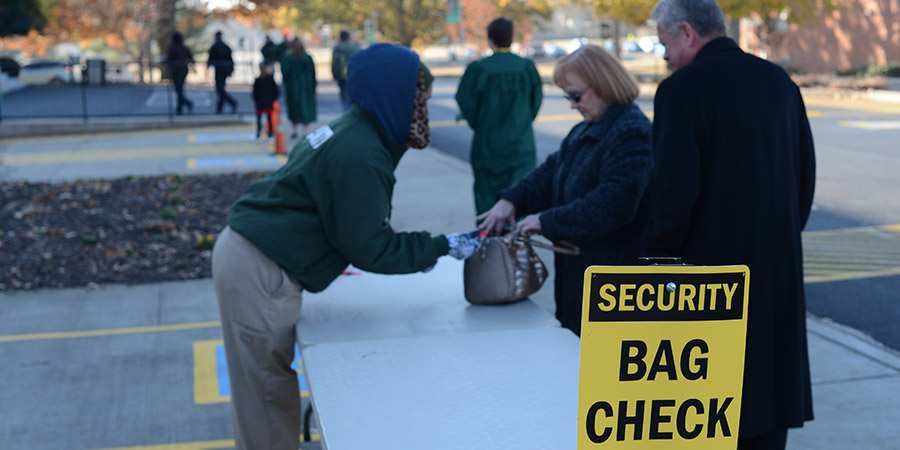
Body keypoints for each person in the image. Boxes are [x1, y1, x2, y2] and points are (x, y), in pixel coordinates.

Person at [211, 43, 482, 450]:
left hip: (252, 255)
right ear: (392, 95)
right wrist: (440, 246)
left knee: (267, 393)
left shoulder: (353, 130)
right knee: (267, 400)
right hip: (260, 270)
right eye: (418, 99)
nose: (423, 110)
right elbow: (370, 246)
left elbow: (344, 223)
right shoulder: (362, 152)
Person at [645, 1, 817, 448]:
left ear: (686, 32)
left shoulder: (681, 91)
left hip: (710, 280)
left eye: (664, 44)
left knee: (712, 416)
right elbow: (804, 177)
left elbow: (671, 197)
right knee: (767, 410)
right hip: (776, 270)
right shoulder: (778, 81)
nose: (664, 56)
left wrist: (656, 266)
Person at [477, 44, 652, 335]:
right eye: (567, 96)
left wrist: (545, 221)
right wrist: (512, 200)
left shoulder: (631, 132)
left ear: (602, 85)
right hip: (583, 281)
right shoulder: (585, 130)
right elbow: (549, 175)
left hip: (613, 289)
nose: (572, 104)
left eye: (576, 95)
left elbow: (613, 204)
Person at [455, 16, 543, 215]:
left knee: (487, 194)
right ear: (511, 38)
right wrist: (522, 121)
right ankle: (517, 240)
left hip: (488, 143)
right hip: (521, 144)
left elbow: (466, 102)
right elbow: (536, 101)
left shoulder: (478, 69)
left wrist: (480, 123)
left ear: (490, 39)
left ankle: (489, 239)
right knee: (520, 193)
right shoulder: (526, 67)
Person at [280, 37, 317, 138]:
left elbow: (285, 72)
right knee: (305, 107)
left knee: (294, 107)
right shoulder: (307, 58)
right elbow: (313, 73)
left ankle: (294, 130)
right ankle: (305, 131)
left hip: (293, 86)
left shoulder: (288, 58)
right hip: (306, 85)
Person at [207, 30, 237, 114]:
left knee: (220, 88)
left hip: (220, 70)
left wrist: (208, 66)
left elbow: (211, 58)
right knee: (220, 88)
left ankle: (230, 103)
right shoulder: (224, 46)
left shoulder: (216, 47)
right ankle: (220, 107)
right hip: (224, 70)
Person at [332, 29, 360, 112]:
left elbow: (335, 64)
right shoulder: (355, 47)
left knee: (345, 102)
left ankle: (347, 120)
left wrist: (335, 77)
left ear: (341, 37)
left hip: (343, 78)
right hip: (355, 76)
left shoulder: (338, 48)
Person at [166, 31, 194, 115]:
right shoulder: (183, 47)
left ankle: (186, 104)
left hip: (177, 72)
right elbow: (190, 57)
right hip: (183, 71)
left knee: (178, 90)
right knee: (180, 90)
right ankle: (180, 108)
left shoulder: (172, 48)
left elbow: (169, 59)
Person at [252, 62, 279, 139]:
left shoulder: (258, 80)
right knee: (269, 118)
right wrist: (273, 99)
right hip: (268, 102)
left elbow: (255, 92)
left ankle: (258, 133)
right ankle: (270, 133)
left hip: (260, 102)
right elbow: (275, 91)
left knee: (259, 118)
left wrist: (256, 100)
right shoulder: (270, 79)